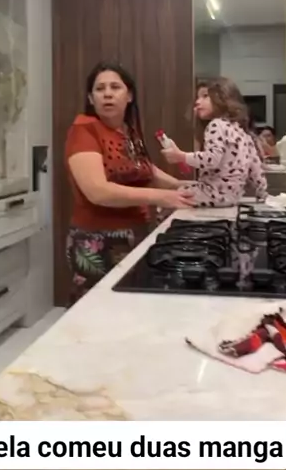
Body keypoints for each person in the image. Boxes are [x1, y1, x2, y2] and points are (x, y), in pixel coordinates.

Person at [65, 62, 193, 301]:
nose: (108, 94)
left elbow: (146, 171)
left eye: (115, 87)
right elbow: (98, 191)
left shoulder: (128, 131)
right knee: (99, 311)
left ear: (129, 95)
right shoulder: (84, 131)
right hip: (98, 240)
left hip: (137, 233)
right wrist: (161, 197)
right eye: (100, 89)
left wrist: (184, 187)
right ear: (91, 98)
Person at [161, 77, 268, 206]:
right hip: (232, 198)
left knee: (168, 197)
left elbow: (211, 160)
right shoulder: (242, 132)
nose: (197, 102)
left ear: (222, 98)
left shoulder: (216, 125)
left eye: (205, 96)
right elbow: (256, 170)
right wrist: (263, 194)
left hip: (212, 194)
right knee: (182, 188)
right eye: (197, 97)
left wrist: (181, 156)